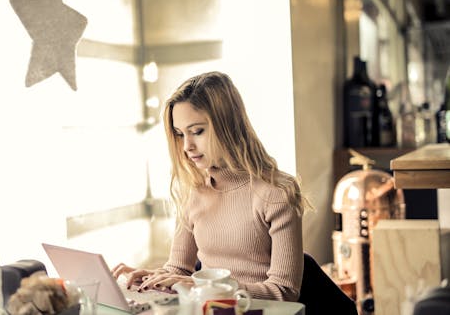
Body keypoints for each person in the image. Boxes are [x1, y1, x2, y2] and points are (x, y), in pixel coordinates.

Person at [112, 71, 310, 301]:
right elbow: (179, 270)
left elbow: (284, 292)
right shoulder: (192, 191)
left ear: (228, 125)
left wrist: (208, 287)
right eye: (180, 134)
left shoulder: (276, 192)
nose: (187, 146)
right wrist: (152, 278)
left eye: (197, 131)